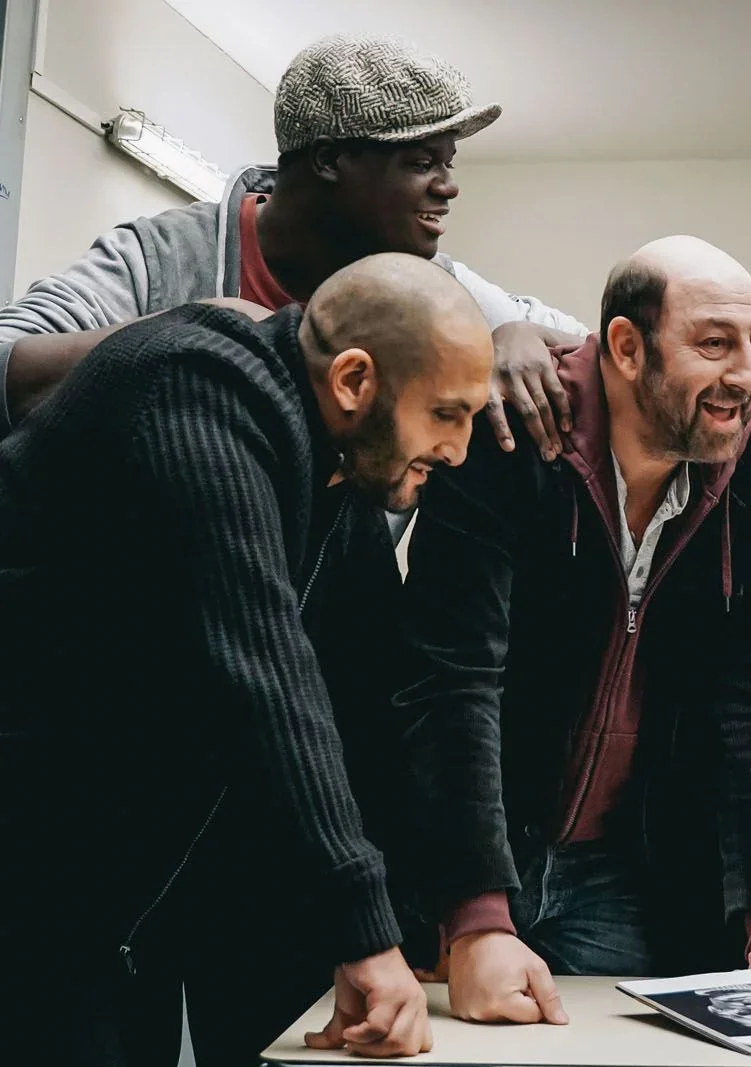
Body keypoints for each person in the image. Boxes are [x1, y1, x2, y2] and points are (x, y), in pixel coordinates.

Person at [0, 253, 495, 1066]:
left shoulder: (342, 484)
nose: (460, 448)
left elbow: (369, 696)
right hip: (32, 868)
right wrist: (362, 929)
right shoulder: (194, 385)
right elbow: (265, 667)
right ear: (353, 380)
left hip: (117, 881)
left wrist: (417, 915)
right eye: (447, 412)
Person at [398, 235, 751, 1021]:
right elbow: (452, 678)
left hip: (620, 874)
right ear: (626, 347)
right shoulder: (509, 436)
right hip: (466, 857)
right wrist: (475, 908)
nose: (747, 375)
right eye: (715, 344)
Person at [0, 32, 584, 463]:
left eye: (447, 163)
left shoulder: (433, 293)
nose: (448, 186)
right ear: (329, 160)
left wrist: (512, 336)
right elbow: (8, 361)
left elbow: (588, 346)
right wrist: (202, 334)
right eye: (420, 163)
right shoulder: (162, 256)